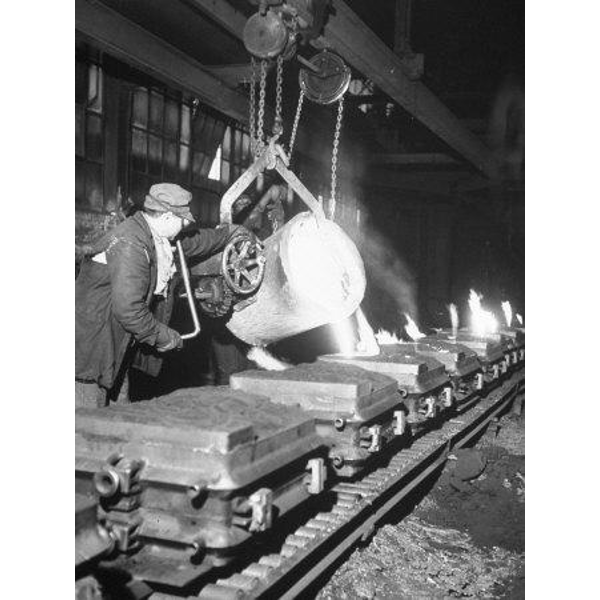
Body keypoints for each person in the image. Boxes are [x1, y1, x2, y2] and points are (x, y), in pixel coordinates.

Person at [75, 183, 250, 408]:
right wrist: (164, 337)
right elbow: (129, 310)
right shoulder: (131, 243)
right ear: (167, 217)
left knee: (121, 414)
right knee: (90, 419)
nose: (186, 225)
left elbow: (196, 241)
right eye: (183, 221)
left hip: (115, 343)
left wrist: (230, 233)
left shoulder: (153, 235)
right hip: (91, 348)